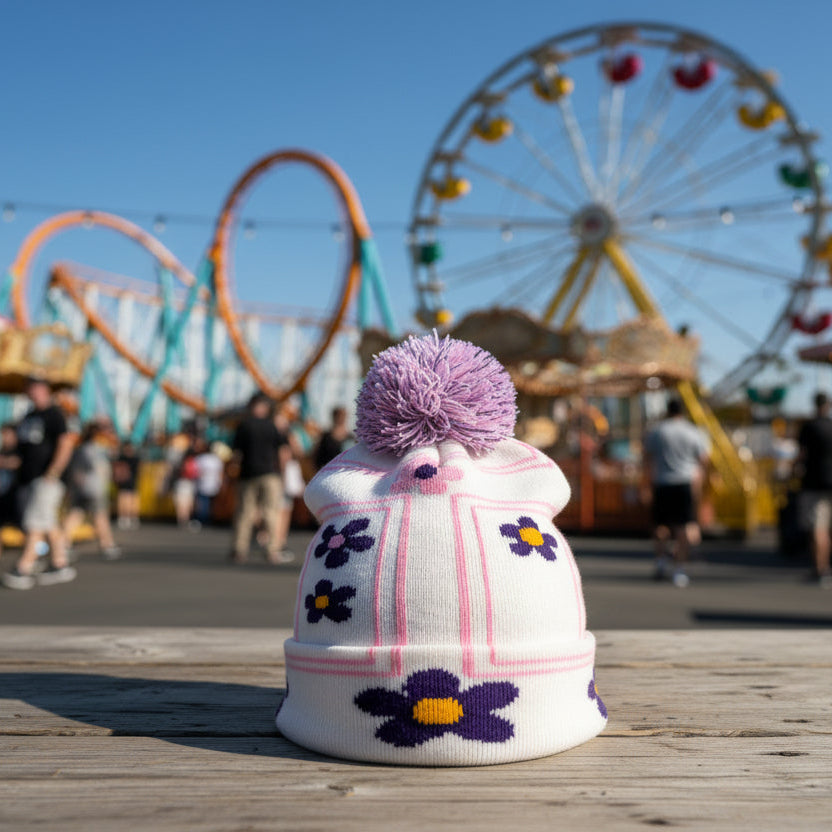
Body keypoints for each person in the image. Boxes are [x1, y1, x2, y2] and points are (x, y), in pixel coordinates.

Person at [2, 379, 76, 590]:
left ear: (44, 390)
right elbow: (22, 451)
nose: (31, 391)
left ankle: (23, 567)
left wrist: (53, 472)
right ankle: (60, 564)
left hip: (46, 479)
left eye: (34, 387)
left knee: (34, 521)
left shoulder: (55, 414)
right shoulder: (29, 416)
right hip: (27, 478)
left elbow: (65, 443)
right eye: (28, 388)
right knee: (47, 520)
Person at [643, 397, 709, 588]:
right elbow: (703, 459)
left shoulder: (657, 431)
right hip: (684, 483)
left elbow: (647, 459)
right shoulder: (693, 432)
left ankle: (660, 561)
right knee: (682, 527)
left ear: (667, 411)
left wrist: (645, 485)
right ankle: (679, 568)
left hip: (662, 482)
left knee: (660, 526)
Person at [230, 393, 292, 564]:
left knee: (244, 513)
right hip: (270, 474)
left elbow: (236, 454)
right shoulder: (272, 426)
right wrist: (282, 473)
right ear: (264, 407)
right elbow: (282, 451)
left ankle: (239, 550)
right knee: (271, 513)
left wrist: (232, 472)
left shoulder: (243, 426)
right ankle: (272, 550)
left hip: (247, 474)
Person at [63, 421, 122, 560]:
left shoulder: (85, 448)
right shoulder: (90, 450)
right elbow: (83, 471)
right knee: (100, 516)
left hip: (86, 488)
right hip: (93, 489)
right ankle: (107, 544)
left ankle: (63, 543)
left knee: (76, 515)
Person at [796, 391, 832, 587]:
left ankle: (820, 569)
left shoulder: (809, 427)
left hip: (814, 483)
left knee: (818, 529)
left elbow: (801, 455)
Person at [192, 438, 224, 527]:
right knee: (211, 503)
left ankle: (203, 519)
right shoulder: (217, 460)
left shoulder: (200, 459)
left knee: (203, 503)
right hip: (214, 484)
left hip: (203, 484)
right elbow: (220, 473)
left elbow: (196, 472)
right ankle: (210, 518)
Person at [314, 405, 353, 470]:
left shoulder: (350, 437)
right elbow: (318, 459)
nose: (342, 418)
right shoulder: (326, 437)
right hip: (328, 472)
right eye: (340, 416)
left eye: (343, 416)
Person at [113, 441, 140, 529]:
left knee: (124, 499)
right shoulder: (135, 459)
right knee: (131, 500)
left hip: (123, 482)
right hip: (131, 482)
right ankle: (131, 518)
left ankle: (124, 518)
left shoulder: (120, 458)